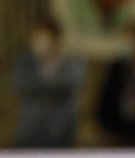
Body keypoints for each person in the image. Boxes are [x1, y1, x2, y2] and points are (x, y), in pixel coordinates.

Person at [12, 18, 85, 148]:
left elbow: (71, 85)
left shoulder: (73, 64)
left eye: (43, 39)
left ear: (56, 40)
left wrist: (41, 89)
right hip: (29, 135)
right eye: (36, 39)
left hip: (61, 135)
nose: (39, 44)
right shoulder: (24, 64)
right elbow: (19, 84)